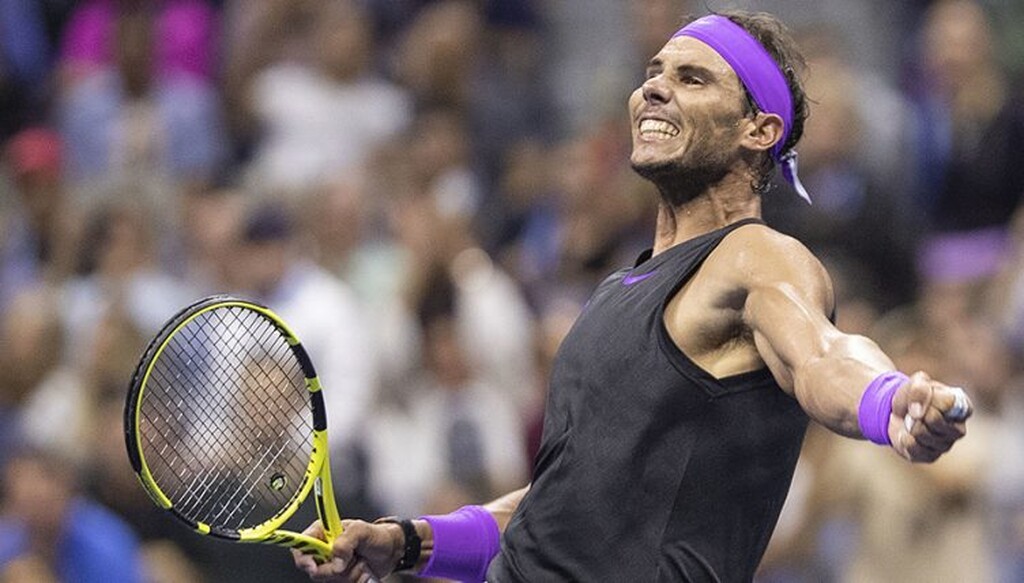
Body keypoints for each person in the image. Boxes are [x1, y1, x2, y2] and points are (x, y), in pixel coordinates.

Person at [294, 11, 972, 582]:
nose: (654, 89)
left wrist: (888, 401)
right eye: (653, 73)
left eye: (691, 78)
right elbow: (553, 509)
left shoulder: (758, 256)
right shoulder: (617, 290)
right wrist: (405, 540)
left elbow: (822, 356)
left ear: (758, 130)